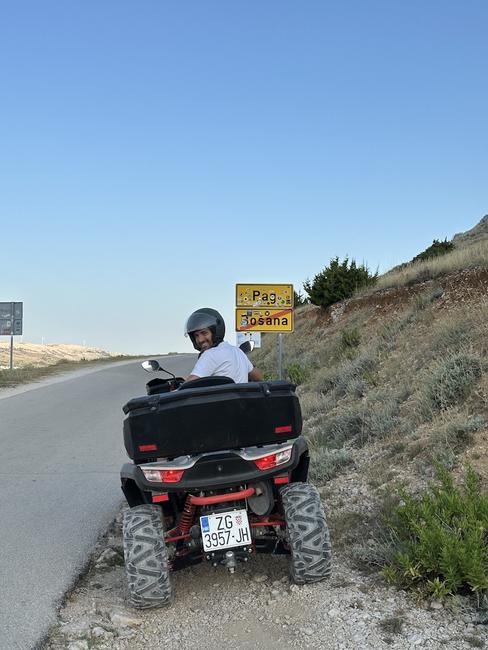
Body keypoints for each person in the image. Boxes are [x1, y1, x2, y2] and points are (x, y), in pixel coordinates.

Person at [185, 307, 263, 383]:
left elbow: (188, 386)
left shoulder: (210, 354)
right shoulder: (238, 352)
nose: (200, 340)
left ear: (216, 332)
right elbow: (258, 376)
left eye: (204, 333)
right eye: (196, 335)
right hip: (241, 392)